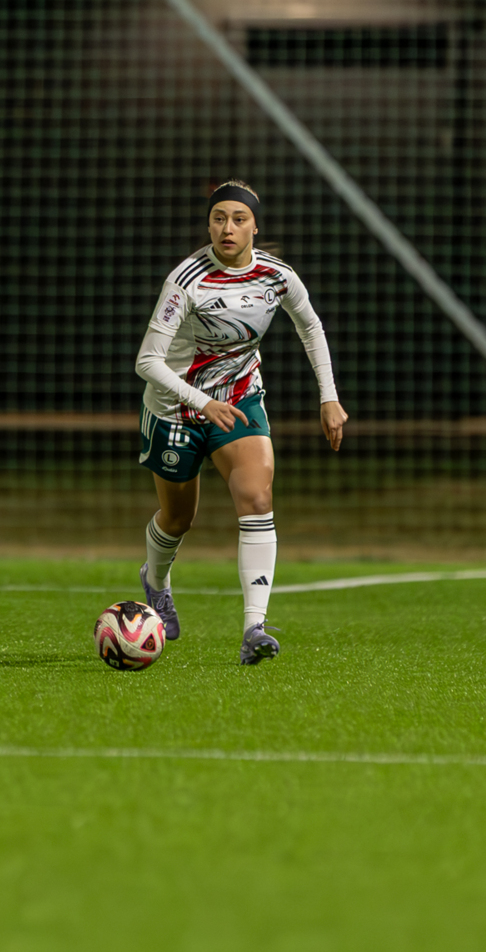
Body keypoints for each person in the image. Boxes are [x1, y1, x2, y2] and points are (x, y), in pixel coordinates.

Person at [134, 179, 347, 664]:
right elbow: (148, 360)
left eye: (238, 219)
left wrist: (328, 398)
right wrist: (200, 401)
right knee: (178, 518)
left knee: (256, 496)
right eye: (218, 218)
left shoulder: (277, 276)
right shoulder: (185, 280)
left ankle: (255, 627)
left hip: (240, 399)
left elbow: (310, 325)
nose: (227, 228)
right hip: (175, 408)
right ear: (208, 223)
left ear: (255, 226)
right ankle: (157, 580)